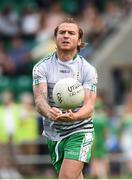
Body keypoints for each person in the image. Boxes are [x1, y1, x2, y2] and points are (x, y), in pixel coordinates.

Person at [32, 17, 97, 179]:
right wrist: (50, 113)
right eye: (62, 32)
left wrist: (74, 116)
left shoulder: (87, 69)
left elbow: (89, 107)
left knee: (66, 177)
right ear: (55, 38)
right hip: (53, 132)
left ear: (79, 40)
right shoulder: (42, 67)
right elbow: (40, 100)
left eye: (71, 33)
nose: (66, 36)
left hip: (80, 130)